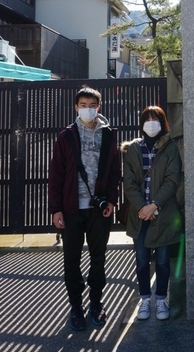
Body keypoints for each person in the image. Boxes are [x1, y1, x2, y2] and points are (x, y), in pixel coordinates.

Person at [49, 86, 121, 331]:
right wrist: (56, 209)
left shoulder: (109, 135)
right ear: (75, 107)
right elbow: (56, 174)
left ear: (98, 107)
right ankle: (76, 307)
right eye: (83, 105)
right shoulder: (66, 136)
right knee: (71, 260)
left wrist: (111, 200)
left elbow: (114, 172)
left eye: (92, 105)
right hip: (71, 209)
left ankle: (96, 302)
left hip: (99, 208)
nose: (88, 109)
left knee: (98, 258)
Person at [122, 105, 182, 321]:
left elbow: (173, 179)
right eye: (147, 119)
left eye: (155, 119)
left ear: (163, 123)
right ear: (141, 124)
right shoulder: (133, 149)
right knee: (141, 261)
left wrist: (154, 204)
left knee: (164, 261)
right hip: (140, 216)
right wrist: (142, 207)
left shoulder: (170, 148)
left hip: (162, 213)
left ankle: (161, 298)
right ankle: (145, 299)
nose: (151, 123)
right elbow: (129, 183)